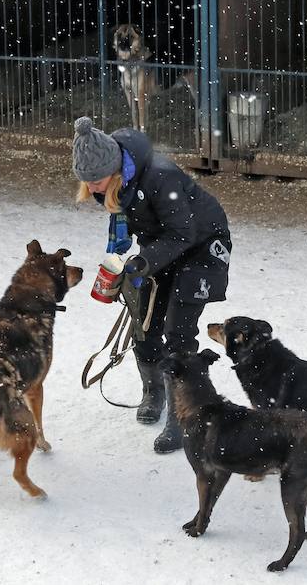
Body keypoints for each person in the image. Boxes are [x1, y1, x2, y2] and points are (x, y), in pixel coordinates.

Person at [71, 116, 232, 453]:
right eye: (87, 182)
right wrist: (117, 256)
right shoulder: (115, 178)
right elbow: (124, 217)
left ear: (114, 170)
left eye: (96, 182)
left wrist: (144, 261)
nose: (93, 189)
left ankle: (182, 413)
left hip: (201, 247)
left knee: (178, 332)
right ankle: (154, 391)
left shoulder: (161, 177)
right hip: (162, 247)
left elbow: (183, 233)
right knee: (144, 324)